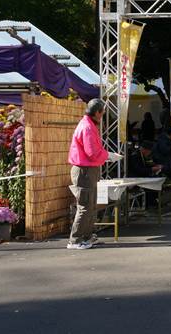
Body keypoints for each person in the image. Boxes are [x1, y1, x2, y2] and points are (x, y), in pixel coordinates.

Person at [67, 99, 110, 250]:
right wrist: (107, 155)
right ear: (98, 112)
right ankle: (75, 240)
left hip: (87, 169)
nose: (102, 116)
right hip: (84, 170)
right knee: (85, 206)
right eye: (102, 113)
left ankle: (86, 236)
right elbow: (92, 153)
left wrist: (105, 155)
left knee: (90, 205)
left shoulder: (88, 124)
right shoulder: (87, 127)